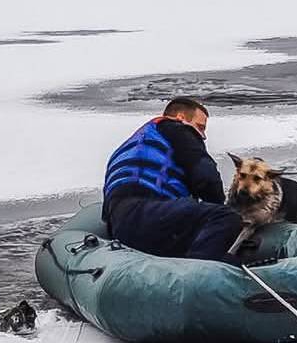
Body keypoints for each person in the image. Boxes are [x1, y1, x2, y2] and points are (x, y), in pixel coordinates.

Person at [103, 97, 243, 264]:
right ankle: (196, 274)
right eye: (200, 127)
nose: (203, 136)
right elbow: (206, 177)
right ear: (181, 118)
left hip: (121, 225)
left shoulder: (131, 145)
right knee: (226, 218)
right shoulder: (177, 129)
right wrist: (219, 205)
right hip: (148, 213)